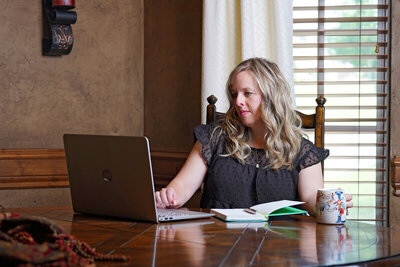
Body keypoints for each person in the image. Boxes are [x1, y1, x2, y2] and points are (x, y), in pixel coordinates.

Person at [155, 57, 353, 215]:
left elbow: (311, 197)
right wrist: (168, 197)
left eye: (247, 93)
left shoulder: (302, 150)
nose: (238, 101)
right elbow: (181, 187)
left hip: (281, 252)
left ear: (271, 96)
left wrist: (328, 203)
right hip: (217, 246)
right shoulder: (214, 138)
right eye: (234, 94)